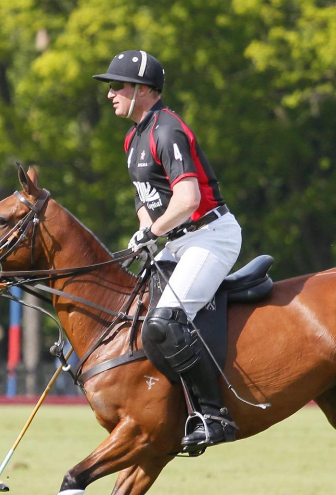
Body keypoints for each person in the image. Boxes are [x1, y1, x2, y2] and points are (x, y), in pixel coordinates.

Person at [93, 50, 243, 450]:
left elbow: (188, 198)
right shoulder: (133, 137)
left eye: (117, 86)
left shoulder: (167, 130)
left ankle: (213, 416)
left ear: (143, 90)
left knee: (166, 322)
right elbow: (146, 199)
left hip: (209, 235)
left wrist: (152, 232)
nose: (110, 94)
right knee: (135, 315)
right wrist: (146, 228)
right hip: (176, 240)